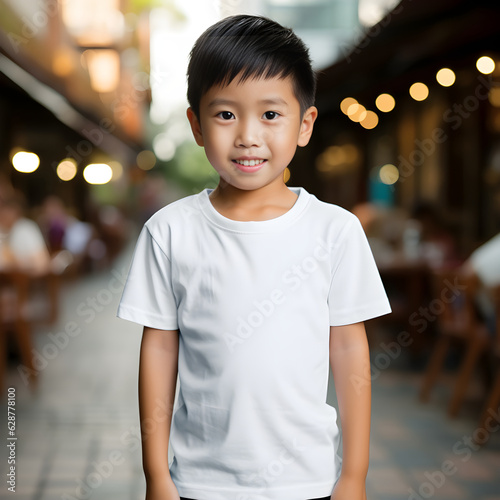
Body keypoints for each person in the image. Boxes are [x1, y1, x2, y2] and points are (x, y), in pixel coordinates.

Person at [117, 15, 391, 500]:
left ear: (304, 125)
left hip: (307, 479)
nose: (247, 135)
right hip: (200, 482)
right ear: (196, 125)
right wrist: (157, 475)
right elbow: (159, 351)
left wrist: (354, 475)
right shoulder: (170, 231)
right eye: (225, 115)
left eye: (270, 115)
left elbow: (350, 350)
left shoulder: (335, 231)